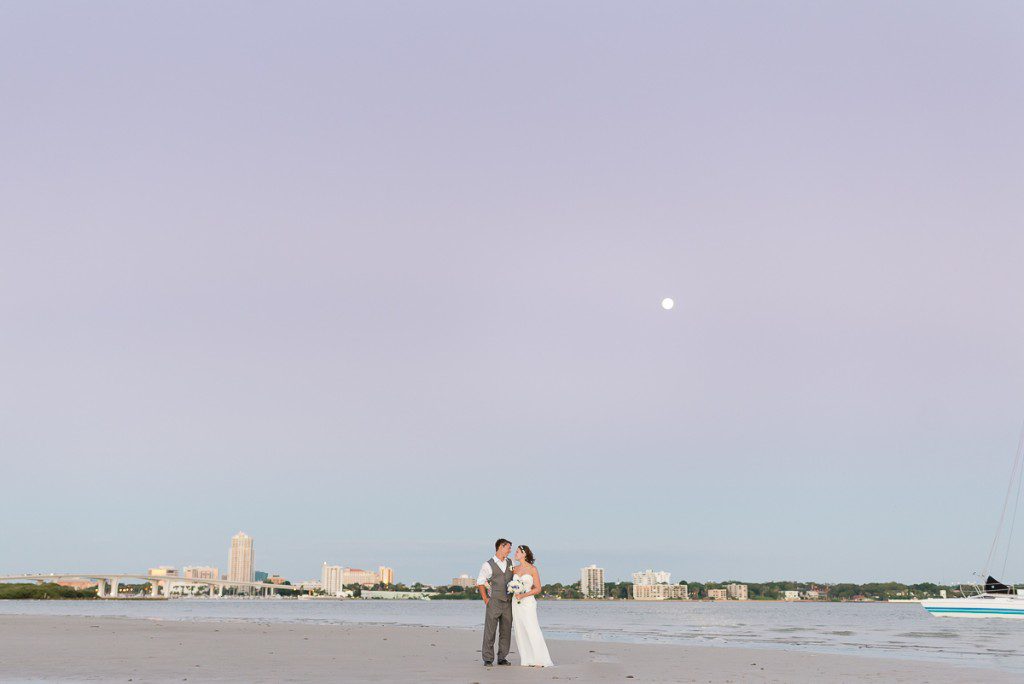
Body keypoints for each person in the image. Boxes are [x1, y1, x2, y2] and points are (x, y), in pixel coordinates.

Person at [510, 544, 554, 667]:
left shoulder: (532, 569)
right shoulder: (514, 569)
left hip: (527, 602)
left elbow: (538, 589)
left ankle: (540, 660)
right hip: (516, 602)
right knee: (520, 629)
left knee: (532, 628)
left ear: (524, 554)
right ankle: (527, 659)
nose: (515, 553)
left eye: (518, 551)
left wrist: (523, 595)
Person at [476, 538, 514, 666]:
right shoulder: (488, 564)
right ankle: (488, 658)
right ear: (501, 547)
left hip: (508, 602)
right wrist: (486, 599)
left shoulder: (510, 563)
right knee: (490, 630)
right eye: (508, 548)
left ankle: (502, 657)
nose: (510, 551)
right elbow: (480, 582)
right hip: (494, 602)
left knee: (506, 630)